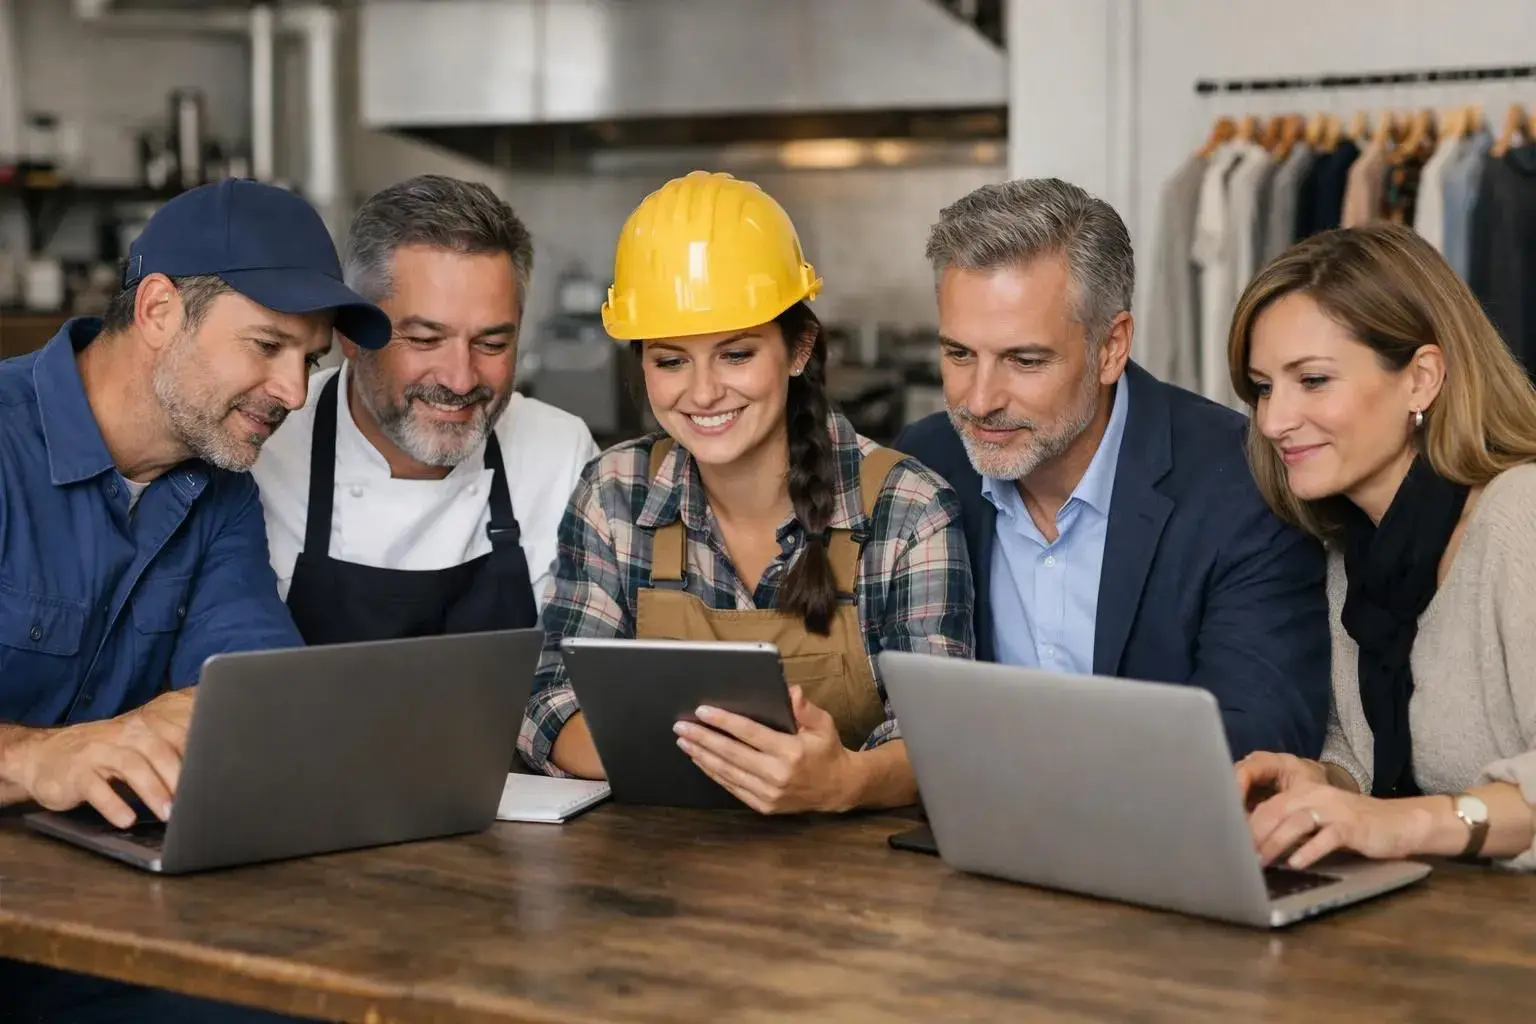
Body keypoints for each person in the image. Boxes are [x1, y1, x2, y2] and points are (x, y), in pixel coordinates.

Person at [0, 179, 388, 1019]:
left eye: (308, 360)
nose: (293, 391)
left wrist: (207, 715)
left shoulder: (221, 495)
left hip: (106, 930)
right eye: (267, 346)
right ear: (159, 310)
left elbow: (255, 698)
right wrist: (31, 758)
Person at [519, 171, 974, 813]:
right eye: (671, 360)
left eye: (736, 354)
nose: (702, 393)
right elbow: (547, 699)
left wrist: (842, 781)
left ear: (799, 348)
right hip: (652, 876)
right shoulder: (614, 493)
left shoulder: (908, 510)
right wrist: (719, 763)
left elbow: (945, 739)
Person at [895, 178, 1330, 761]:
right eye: (958, 354)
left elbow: (1259, 737)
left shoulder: (1246, 479)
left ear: (1111, 346)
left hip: (1167, 843)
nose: (979, 400)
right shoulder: (924, 468)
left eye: (1024, 360)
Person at [1231, 223, 1536, 872]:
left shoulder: (1522, 517)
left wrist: (1407, 824)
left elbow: (1404, 810)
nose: (1273, 420)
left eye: (1311, 380)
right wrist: (1321, 784)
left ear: (1422, 379)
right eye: (1263, 386)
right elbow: (1372, 760)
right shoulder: (1355, 550)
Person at [252, 175, 597, 644]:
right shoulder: (265, 450)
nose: (460, 379)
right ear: (352, 334)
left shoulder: (562, 456)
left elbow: (588, 667)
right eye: (424, 340)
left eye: (492, 342)